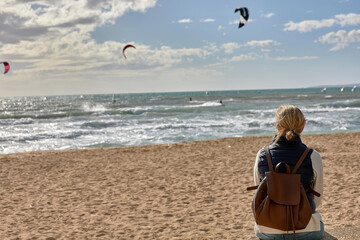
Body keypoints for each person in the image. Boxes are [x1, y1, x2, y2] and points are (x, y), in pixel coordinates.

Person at [253, 104, 324, 240]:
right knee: (319, 225)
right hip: (306, 229)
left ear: (277, 126)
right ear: (302, 127)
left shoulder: (262, 154)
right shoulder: (313, 156)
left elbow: (259, 192)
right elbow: (317, 199)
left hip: (267, 230)